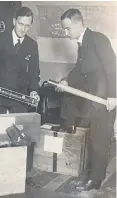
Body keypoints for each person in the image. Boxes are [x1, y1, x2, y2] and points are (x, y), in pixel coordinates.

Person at [57, 9, 116, 191]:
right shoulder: (82, 44)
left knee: (99, 141)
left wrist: (113, 95)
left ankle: (95, 181)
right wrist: (67, 80)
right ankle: (90, 177)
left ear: (77, 23)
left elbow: (113, 67)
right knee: (93, 139)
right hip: (93, 102)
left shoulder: (98, 39)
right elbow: (80, 68)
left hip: (105, 101)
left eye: (67, 29)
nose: (66, 34)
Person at [0, 7, 40, 114]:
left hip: (20, 100)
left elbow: (34, 72)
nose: (23, 29)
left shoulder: (32, 45)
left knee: (18, 129)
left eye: (27, 26)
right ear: (14, 21)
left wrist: (34, 91)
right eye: (20, 24)